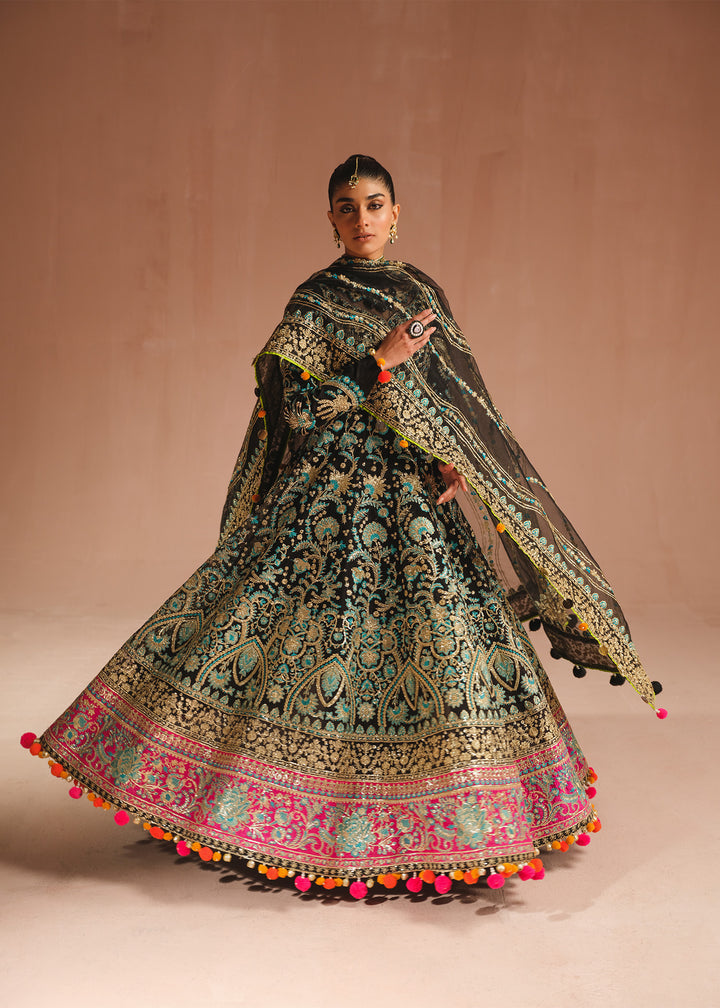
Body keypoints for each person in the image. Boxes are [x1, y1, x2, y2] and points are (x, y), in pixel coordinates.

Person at [21, 155, 665, 899]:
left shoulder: (422, 294)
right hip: (329, 495)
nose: (363, 218)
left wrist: (455, 457)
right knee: (307, 636)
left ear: (397, 213)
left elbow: (458, 400)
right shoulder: (315, 301)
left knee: (444, 639)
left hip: (416, 496)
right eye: (347, 206)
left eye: (375, 204)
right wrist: (378, 361)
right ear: (330, 218)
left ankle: (467, 817)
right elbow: (299, 412)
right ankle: (288, 813)